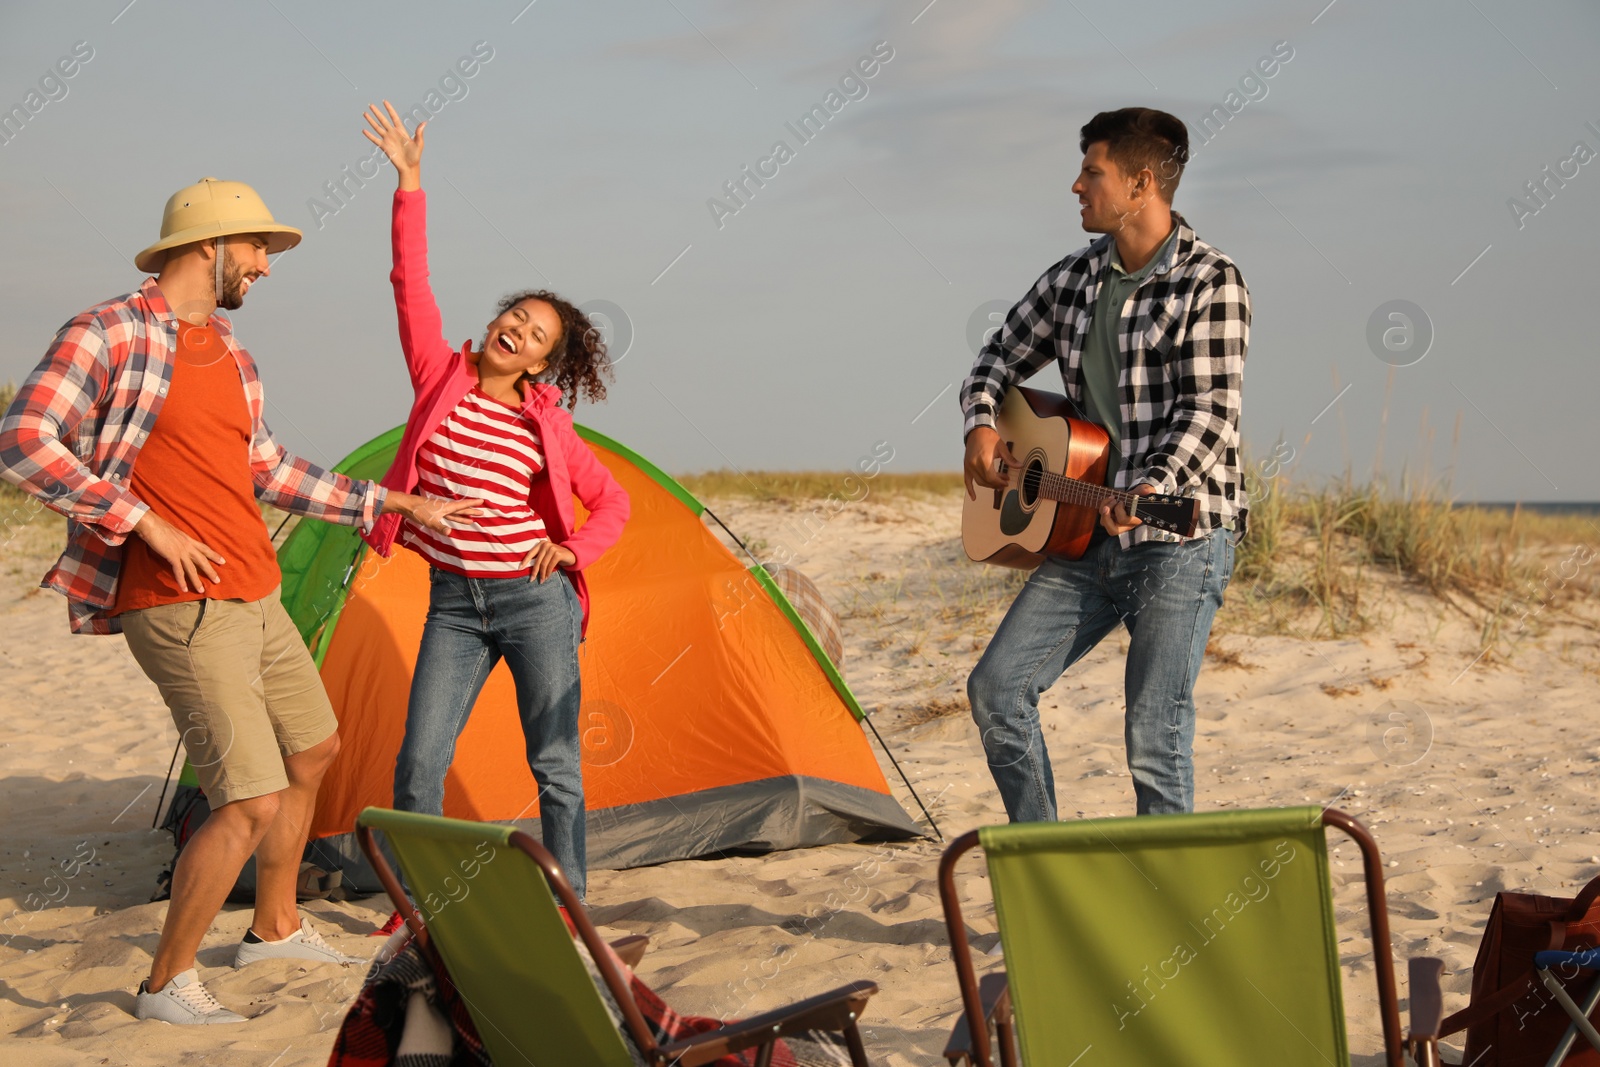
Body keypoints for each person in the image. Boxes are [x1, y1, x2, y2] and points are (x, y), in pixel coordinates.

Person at [0, 178, 472, 1023]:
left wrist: (390, 503)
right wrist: (143, 521)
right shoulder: (109, 331)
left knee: (313, 751)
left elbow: (267, 468)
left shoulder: (234, 354)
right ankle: (163, 986)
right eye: (259, 248)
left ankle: (275, 925)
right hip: (178, 602)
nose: (265, 266)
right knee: (248, 798)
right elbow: (24, 439)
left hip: (258, 591)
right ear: (208, 244)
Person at [359, 102, 629, 906]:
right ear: (497, 322)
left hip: (532, 601)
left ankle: (571, 900)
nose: (520, 327)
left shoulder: (546, 424)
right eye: (518, 314)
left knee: (554, 760)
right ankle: (418, 909)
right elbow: (412, 282)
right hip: (454, 604)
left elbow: (611, 502)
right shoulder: (438, 375)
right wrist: (410, 182)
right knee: (420, 761)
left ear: (549, 358)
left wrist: (573, 552)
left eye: (538, 330)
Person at [961, 107, 1250, 822]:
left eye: (1092, 172)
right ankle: (1046, 868)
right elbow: (996, 358)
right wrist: (981, 423)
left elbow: (1210, 411)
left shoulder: (1211, 282)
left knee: (1155, 735)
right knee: (996, 689)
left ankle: (1171, 911)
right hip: (1085, 533)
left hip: (1180, 535)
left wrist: (1153, 484)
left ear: (1141, 183)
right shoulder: (1073, 280)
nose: (1076, 186)